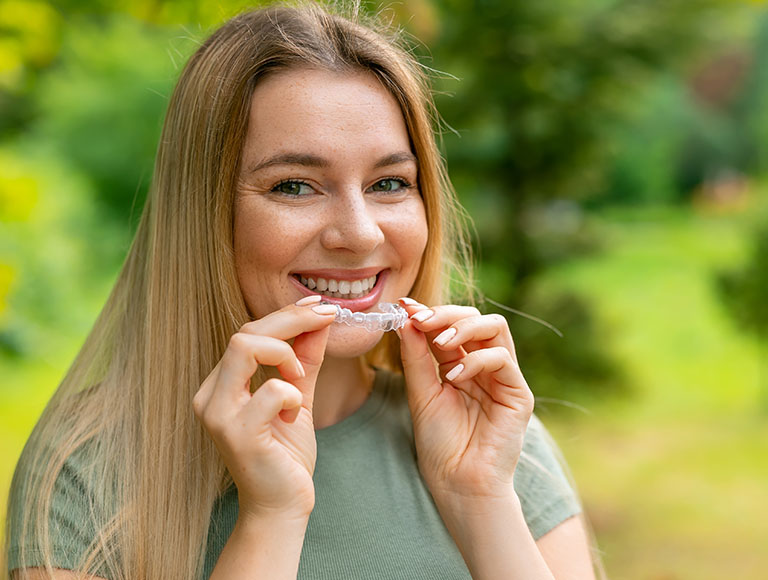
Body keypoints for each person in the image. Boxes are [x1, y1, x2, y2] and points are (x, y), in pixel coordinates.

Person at [5, 2, 600, 579]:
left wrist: (478, 498)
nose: (360, 233)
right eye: (294, 186)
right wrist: (271, 517)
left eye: (390, 182)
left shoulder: (493, 443)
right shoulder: (89, 471)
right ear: (203, 215)